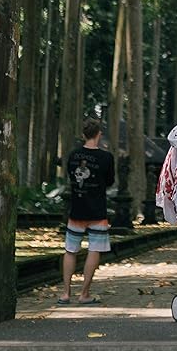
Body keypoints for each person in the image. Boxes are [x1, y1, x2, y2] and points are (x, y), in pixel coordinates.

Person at [58, 117, 115, 305]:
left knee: (70, 250)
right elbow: (110, 181)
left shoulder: (73, 155)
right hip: (97, 210)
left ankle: (65, 293)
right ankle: (84, 294)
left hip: (77, 209)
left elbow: (71, 177)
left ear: (83, 135)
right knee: (94, 249)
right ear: (99, 134)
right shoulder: (106, 158)